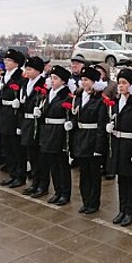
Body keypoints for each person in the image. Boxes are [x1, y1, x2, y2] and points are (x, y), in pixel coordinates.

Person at [107, 68, 132, 227]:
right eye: (119, 83)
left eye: (124, 83)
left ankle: (130, 211)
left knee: (131, 182)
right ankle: (122, 209)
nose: (120, 86)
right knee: (121, 181)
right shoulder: (117, 102)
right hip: (119, 147)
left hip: (131, 147)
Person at [70, 66, 108, 214]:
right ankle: (86, 200)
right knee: (83, 172)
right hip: (81, 137)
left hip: (92, 139)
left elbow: (101, 126)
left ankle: (93, 202)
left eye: (87, 80)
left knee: (94, 174)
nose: (84, 83)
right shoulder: (79, 97)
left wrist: (99, 148)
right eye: (82, 80)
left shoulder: (100, 100)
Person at [39, 65, 73, 206]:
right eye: (51, 78)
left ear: (63, 81)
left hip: (59, 132)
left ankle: (65, 193)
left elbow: (68, 114)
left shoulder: (66, 95)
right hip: (48, 131)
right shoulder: (49, 93)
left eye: (56, 78)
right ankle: (57, 191)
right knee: (52, 163)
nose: (52, 81)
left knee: (61, 164)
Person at [18, 56, 48, 197]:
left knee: (40, 158)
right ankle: (35, 183)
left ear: (38, 71)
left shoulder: (43, 85)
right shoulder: (26, 83)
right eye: (26, 69)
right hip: (27, 123)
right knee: (32, 156)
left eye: (29, 69)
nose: (27, 71)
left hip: (37, 125)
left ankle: (43, 185)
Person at [0, 49, 27, 188]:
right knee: (7, 146)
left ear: (17, 63)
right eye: (5, 60)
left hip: (14, 115)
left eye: (9, 60)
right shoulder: (5, 76)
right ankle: (12, 173)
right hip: (4, 113)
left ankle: (20, 175)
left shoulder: (20, 77)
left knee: (16, 148)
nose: (6, 62)